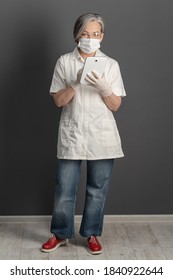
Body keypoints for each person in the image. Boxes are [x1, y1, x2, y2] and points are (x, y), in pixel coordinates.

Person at [41, 13, 126, 255]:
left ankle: (92, 234)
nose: (91, 38)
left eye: (96, 34)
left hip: (102, 134)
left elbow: (116, 105)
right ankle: (60, 234)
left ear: (103, 36)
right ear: (77, 35)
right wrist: (75, 84)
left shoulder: (111, 65)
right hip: (73, 133)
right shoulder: (64, 62)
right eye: (86, 34)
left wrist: (104, 88)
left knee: (97, 187)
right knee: (64, 188)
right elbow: (58, 100)